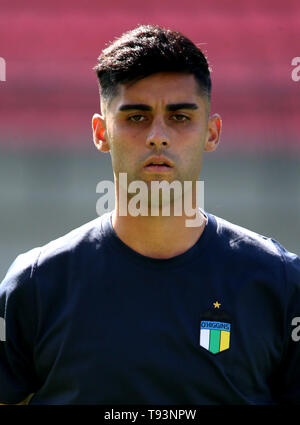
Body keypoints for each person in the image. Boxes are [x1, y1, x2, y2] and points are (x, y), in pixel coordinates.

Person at [0, 24, 300, 406]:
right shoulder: (36, 285)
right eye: (136, 117)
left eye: (179, 117)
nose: (158, 135)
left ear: (212, 132)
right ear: (100, 132)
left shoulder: (279, 284)